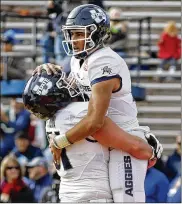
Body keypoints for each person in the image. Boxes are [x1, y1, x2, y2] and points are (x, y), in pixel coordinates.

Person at [31, 4, 163, 202]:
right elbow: (69, 88)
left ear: (96, 33)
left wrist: (60, 141)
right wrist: (52, 70)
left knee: (125, 199)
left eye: (78, 34)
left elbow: (94, 121)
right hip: (102, 138)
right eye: (71, 34)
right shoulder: (79, 60)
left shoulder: (104, 61)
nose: (73, 40)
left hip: (123, 140)